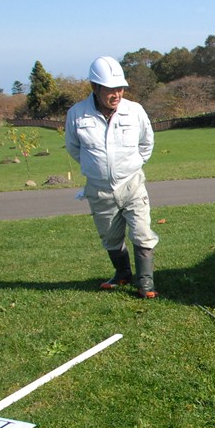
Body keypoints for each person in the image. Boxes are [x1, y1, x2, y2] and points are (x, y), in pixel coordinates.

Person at [65, 56, 159, 299]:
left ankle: (146, 284)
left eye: (120, 88)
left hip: (132, 185)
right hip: (99, 189)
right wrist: (97, 168)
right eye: (110, 89)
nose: (116, 94)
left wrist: (131, 165)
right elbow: (74, 149)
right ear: (95, 88)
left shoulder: (134, 111)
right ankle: (122, 274)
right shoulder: (77, 114)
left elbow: (146, 144)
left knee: (142, 233)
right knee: (110, 237)